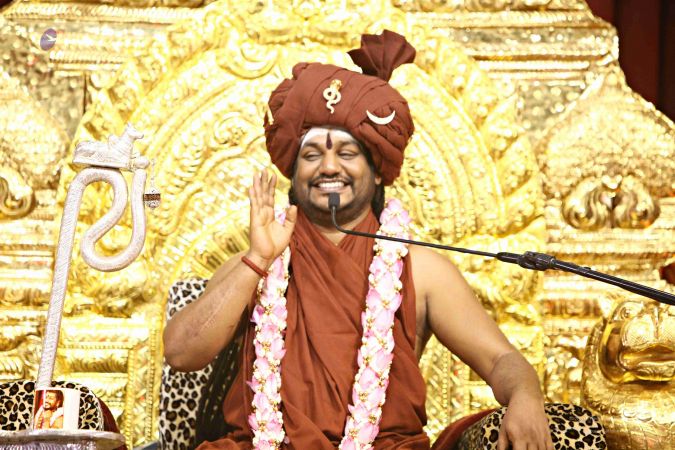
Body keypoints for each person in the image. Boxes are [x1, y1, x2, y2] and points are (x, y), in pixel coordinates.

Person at [163, 30, 554, 450]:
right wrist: (257, 260)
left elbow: (500, 359)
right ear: (293, 172)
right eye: (312, 155)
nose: (329, 167)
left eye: (347, 154)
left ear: (378, 169)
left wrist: (525, 395)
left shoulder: (422, 271)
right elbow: (182, 354)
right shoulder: (256, 264)